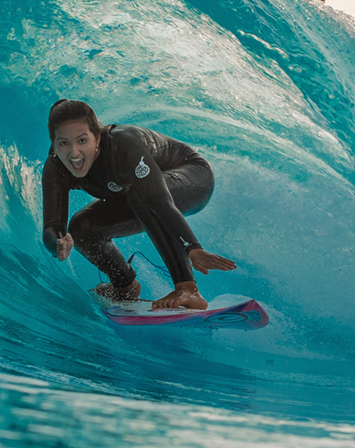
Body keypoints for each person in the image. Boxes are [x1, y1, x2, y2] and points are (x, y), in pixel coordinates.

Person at [41, 98, 237, 310]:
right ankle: (125, 286)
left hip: (193, 177)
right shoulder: (55, 169)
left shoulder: (122, 144)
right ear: (53, 144)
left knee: (141, 196)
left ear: (97, 138)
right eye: (63, 143)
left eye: (82, 141)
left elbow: (159, 201)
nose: (74, 153)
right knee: (81, 228)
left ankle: (188, 288)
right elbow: (52, 226)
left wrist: (192, 248)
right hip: (141, 196)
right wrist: (58, 245)